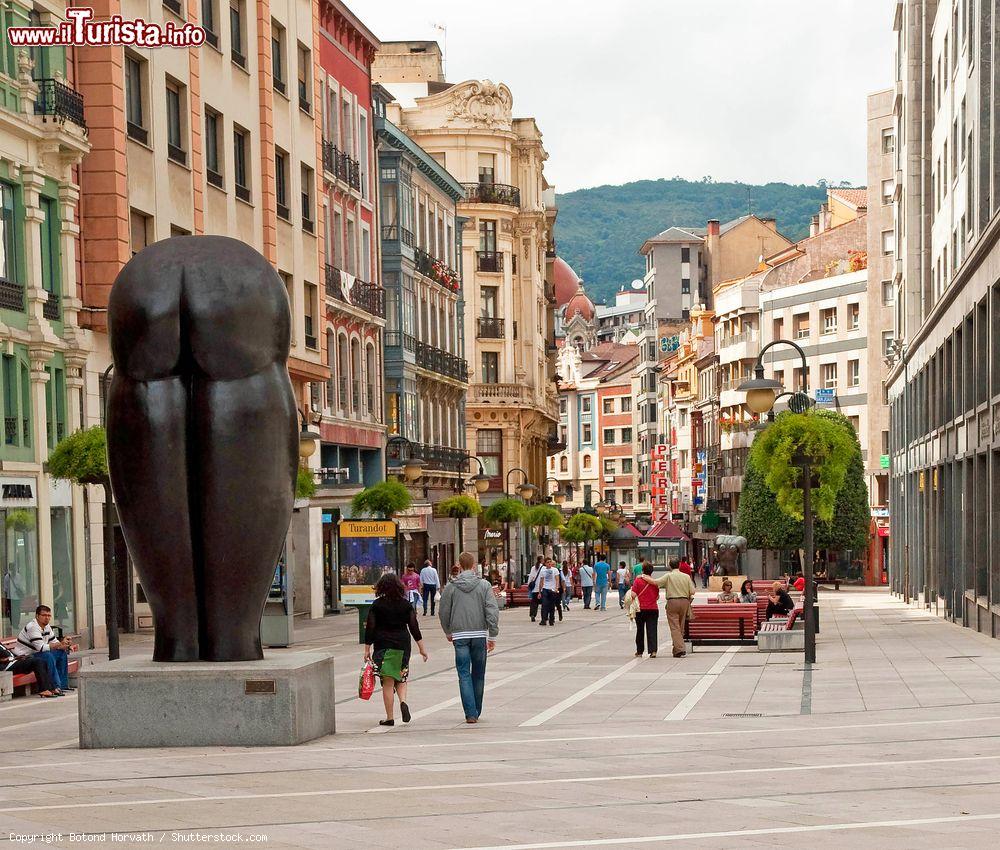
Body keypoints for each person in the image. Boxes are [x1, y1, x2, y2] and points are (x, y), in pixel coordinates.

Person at [439, 551, 499, 724]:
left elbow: (444, 611)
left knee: (463, 673)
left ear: (459, 564)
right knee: (479, 674)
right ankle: (476, 710)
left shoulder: (450, 587)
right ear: (473, 566)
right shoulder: (484, 585)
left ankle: (470, 712)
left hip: (460, 635)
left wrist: (448, 631)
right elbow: (492, 610)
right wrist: (492, 634)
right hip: (479, 634)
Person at [364, 573, 427, 726]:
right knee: (401, 675)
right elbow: (414, 627)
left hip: (383, 646)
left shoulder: (377, 605)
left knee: (388, 682)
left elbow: (370, 628)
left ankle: (390, 717)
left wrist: (367, 649)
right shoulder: (405, 605)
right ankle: (403, 701)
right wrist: (422, 648)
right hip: (402, 645)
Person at [637, 558, 696, 658]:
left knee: (674, 626)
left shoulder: (668, 576)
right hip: (685, 602)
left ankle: (680, 649)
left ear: (670, 566)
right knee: (680, 626)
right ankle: (676, 649)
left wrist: (643, 576)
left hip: (672, 601)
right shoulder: (686, 576)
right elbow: (693, 591)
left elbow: (655, 582)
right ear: (679, 565)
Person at [12, 605, 74, 692]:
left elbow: (54, 642)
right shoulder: (33, 627)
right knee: (47, 656)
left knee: (61, 653)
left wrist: (64, 646)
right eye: (44, 615)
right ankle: (54, 687)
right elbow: (41, 648)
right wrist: (59, 644)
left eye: (49, 615)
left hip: (36, 654)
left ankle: (62, 686)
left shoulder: (47, 627)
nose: (47, 618)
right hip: (25, 658)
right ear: (37, 616)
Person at [626, 563, 660, 657]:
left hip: (640, 609)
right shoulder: (654, 582)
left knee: (640, 630)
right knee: (652, 630)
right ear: (652, 571)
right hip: (653, 609)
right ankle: (653, 651)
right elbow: (657, 597)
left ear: (643, 570)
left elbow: (633, 594)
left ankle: (640, 651)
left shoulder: (638, 580)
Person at [534, 558, 562, 626]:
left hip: (552, 590)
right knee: (544, 605)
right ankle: (543, 620)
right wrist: (540, 592)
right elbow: (541, 581)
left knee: (552, 606)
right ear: (545, 563)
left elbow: (557, 579)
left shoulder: (555, 570)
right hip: (545, 589)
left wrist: (556, 588)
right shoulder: (543, 571)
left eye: (550, 562)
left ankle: (551, 620)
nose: (549, 563)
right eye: (548, 562)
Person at [526, 558, 544, 622]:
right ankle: (544, 616)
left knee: (534, 602)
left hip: (534, 588)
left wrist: (529, 584)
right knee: (544, 603)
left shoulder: (533, 567)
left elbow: (531, 577)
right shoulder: (543, 568)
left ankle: (532, 614)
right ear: (542, 560)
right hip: (542, 588)